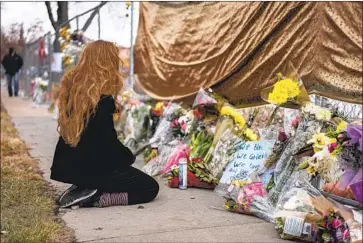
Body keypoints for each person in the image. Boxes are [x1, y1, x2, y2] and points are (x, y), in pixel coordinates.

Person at [51, 40, 159, 208]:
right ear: (106, 63)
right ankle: (98, 197)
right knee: (149, 188)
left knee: (120, 171)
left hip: (70, 168)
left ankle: (85, 187)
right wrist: (127, 156)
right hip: (94, 168)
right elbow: (107, 144)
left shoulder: (74, 92)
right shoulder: (102, 100)